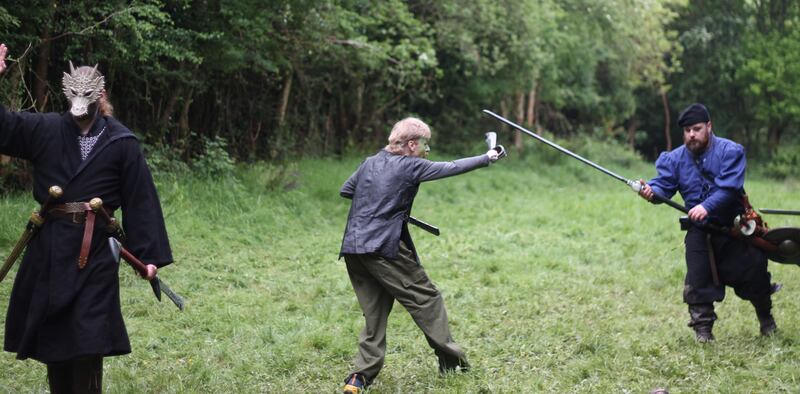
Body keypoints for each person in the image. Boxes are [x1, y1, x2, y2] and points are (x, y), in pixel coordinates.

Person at [0, 44, 172, 392]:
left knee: (88, 336)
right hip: (49, 251)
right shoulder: (45, 130)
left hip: (94, 253)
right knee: (55, 341)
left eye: (87, 93)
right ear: (66, 91)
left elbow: (140, 199)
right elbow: (4, 127)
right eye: (74, 93)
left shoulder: (121, 142)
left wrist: (149, 256)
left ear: (101, 94)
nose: (80, 100)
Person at [337, 117, 503, 393]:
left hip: (354, 249)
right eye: (426, 144)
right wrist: (487, 157)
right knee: (428, 299)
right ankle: (452, 365)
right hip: (383, 248)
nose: (428, 150)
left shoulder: (370, 162)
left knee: (375, 312)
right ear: (412, 144)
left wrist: (385, 205)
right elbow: (450, 167)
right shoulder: (410, 164)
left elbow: (347, 190)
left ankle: (358, 378)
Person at [638, 103, 776, 343]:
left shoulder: (730, 151)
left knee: (754, 273)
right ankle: (703, 333)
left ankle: (766, 320)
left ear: (709, 127)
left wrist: (706, 207)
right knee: (697, 278)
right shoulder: (674, 159)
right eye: (688, 130)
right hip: (699, 230)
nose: (692, 134)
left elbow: (730, 189)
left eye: (697, 129)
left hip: (734, 227)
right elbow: (664, 186)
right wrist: (652, 192)